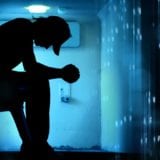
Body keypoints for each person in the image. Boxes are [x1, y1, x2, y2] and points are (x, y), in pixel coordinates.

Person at [0, 16, 80, 158]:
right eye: (51, 42)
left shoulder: (23, 29)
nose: (48, 46)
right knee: (39, 83)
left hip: (3, 81)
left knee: (38, 81)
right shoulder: (22, 27)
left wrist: (61, 73)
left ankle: (36, 142)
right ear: (48, 32)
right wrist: (61, 73)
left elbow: (32, 68)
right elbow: (32, 68)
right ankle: (38, 143)